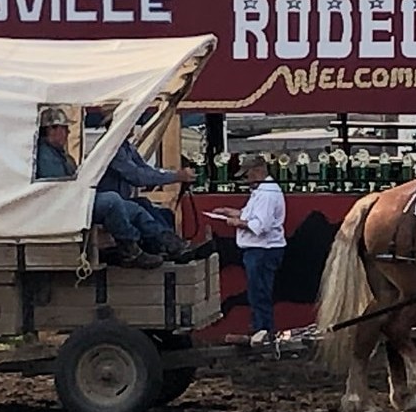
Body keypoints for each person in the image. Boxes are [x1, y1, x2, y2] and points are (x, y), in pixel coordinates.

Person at [33, 108, 182, 268]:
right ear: (51, 129)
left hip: (76, 200)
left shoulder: (60, 154)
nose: (68, 132)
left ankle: (166, 244)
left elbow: (143, 170)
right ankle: (130, 250)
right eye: (64, 128)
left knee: (135, 207)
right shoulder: (46, 156)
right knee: (112, 201)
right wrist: (175, 176)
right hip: (66, 205)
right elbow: (60, 188)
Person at [209, 153, 287, 343]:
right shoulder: (263, 192)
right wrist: (232, 212)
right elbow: (252, 216)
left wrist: (235, 222)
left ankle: (263, 330)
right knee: (257, 290)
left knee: (259, 291)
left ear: (258, 172)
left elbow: (260, 226)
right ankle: (260, 329)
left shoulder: (267, 194)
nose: (246, 179)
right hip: (261, 249)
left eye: (248, 175)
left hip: (262, 250)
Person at [100, 134, 197, 242]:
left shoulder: (126, 147)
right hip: (113, 205)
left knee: (163, 213)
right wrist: (176, 176)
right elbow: (137, 176)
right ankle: (167, 246)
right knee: (140, 212)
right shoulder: (112, 149)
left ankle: (173, 244)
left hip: (122, 200)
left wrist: (172, 175)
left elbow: (146, 170)